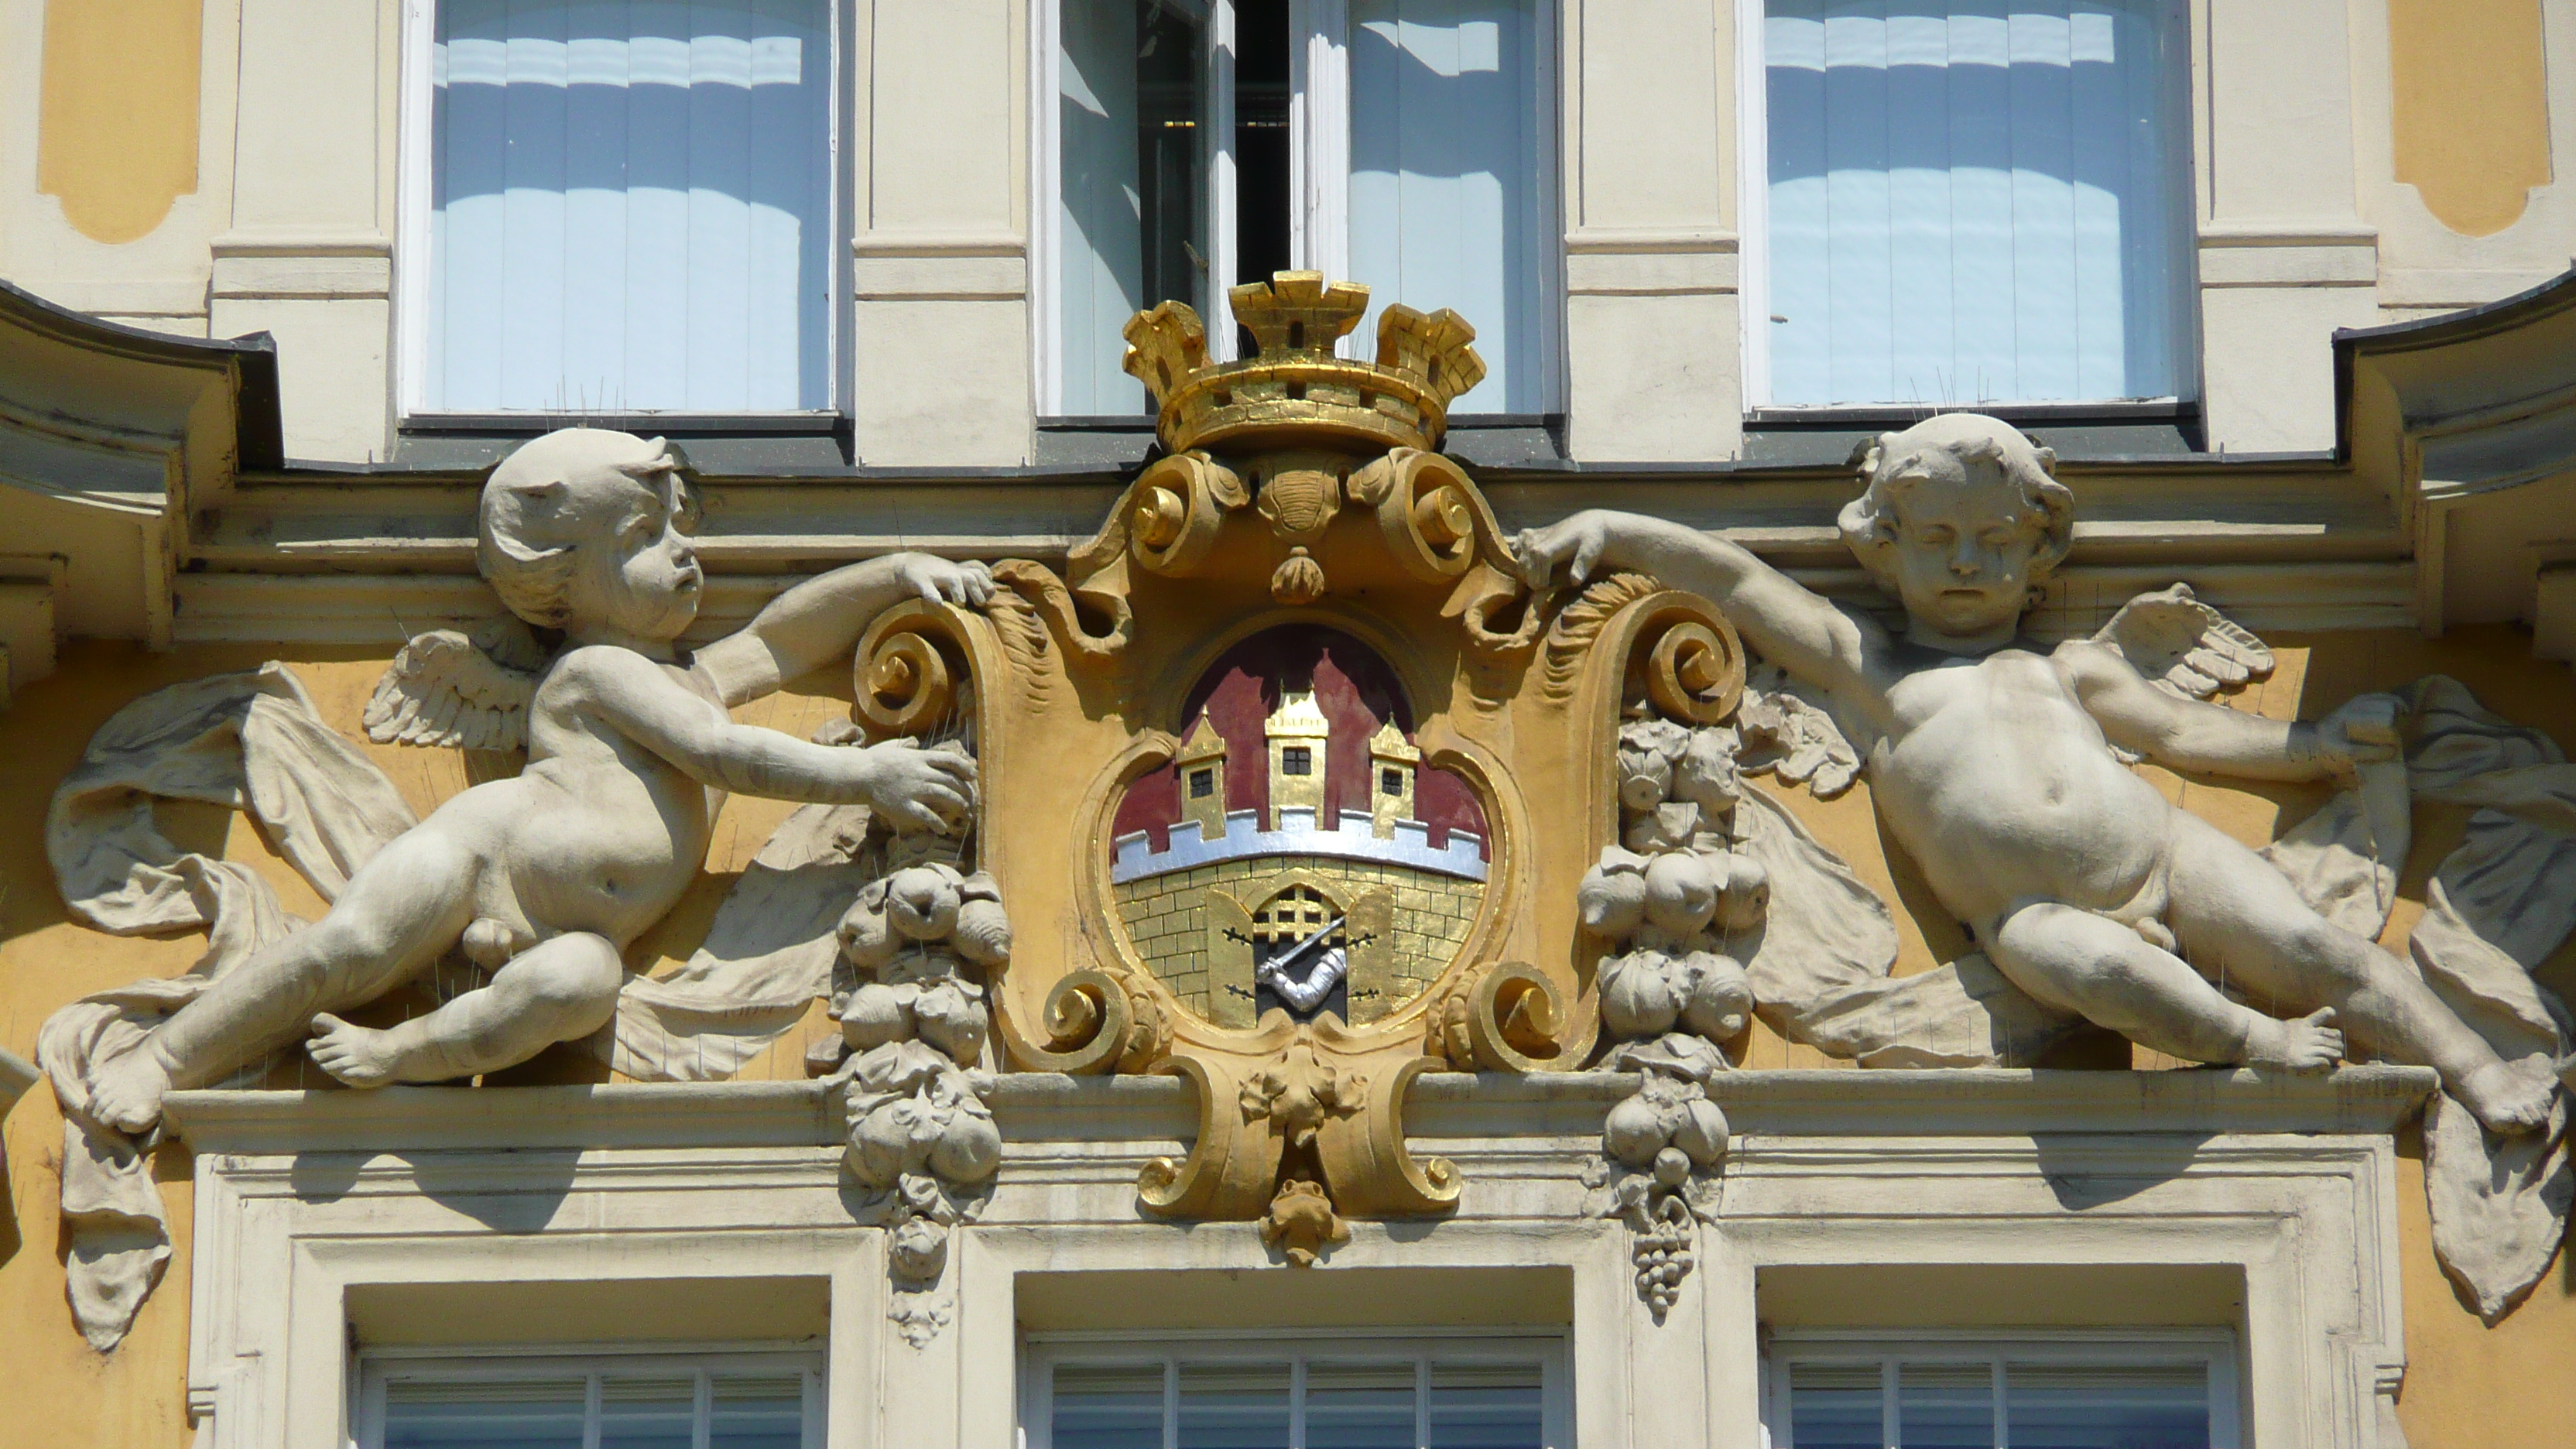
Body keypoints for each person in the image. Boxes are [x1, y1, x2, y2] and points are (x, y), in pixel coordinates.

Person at [1515, 413, 2554, 1134]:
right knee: (2104, 973)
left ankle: (2477, 1068)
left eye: (1996, 542)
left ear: (2037, 556)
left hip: (2164, 854)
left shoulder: (2071, 666)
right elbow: (1738, 579)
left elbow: (2184, 735)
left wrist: (2317, 749)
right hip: (2025, 917)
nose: (1967, 563)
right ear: (1883, 548)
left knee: (2316, 947)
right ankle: (2250, 1039)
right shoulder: (1874, 676)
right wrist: (1616, 529)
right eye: (1938, 540)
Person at [84, 429, 992, 1132]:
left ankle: (397, 1052)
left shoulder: (693, 677)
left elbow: (781, 638)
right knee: (348, 949)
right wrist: (868, 773)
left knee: (577, 987)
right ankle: (163, 1061)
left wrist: (891, 574)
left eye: (681, 527)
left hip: (576, 929)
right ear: (567, 584)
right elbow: (723, 755)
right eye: (644, 535)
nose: (683, 553)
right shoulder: (597, 671)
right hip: (487, 851)